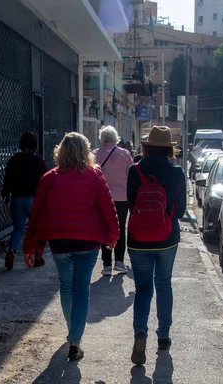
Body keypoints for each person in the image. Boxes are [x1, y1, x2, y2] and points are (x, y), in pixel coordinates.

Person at [23, 132, 119, 361]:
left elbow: (36, 214)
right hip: (88, 241)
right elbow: (109, 208)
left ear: (61, 152)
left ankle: (72, 330)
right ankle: (75, 339)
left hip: (60, 242)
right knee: (81, 289)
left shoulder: (49, 178)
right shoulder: (95, 176)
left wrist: (30, 246)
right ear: (86, 152)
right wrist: (113, 237)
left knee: (66, 287)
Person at [127, 126, 186, 366]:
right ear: (169, 148)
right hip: (167, 238)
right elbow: (180, 211)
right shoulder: (177, 172)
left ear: (147, 146)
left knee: (142, 289)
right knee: (163, 284)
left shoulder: (135, 170)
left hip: (138, 240)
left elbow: (131, 205)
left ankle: (140, 333)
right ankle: (163, 336)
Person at [2, 132, 47, 270]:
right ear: (35, 145)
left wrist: (5, 195)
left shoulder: (13, 159)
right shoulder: (38, 161)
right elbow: (45, 180)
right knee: (38, 229)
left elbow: (7, 179)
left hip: (16, 198)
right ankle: (38, 257)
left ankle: (11, 252)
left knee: (18, 229)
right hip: (33, 200)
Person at [94, 126, 133, 276]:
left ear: (102, 138)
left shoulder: (96, 154)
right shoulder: (125, 154)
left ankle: (107, 264)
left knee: (105, 229)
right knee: (120, 228)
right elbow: (131, 175)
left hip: (102, 198)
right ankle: (119, 262)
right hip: (122, 198)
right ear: (115, 138)